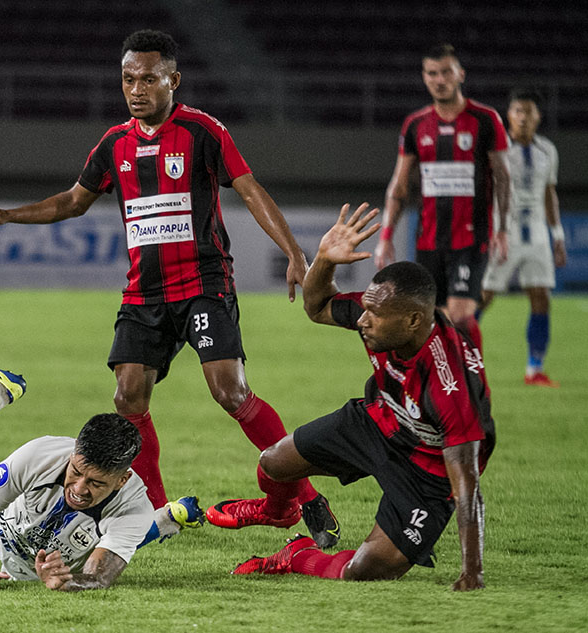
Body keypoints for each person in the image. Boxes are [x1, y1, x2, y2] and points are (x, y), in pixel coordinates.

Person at [0, 29, 340, 548]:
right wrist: (6, 216)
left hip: (203, 283)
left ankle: (307, 495)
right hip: (144, 294)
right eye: (128, 79)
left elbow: (250, 190)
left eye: (149, 79)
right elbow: (72, 201)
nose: (137, 89)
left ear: (173, 81)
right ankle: (154, 507)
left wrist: (295, 252)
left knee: (231, 391)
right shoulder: (115, 144)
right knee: (128, 395)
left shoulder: (202, 132)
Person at [232, 204, 495, 592]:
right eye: (365, 307)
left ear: (413, 321)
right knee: (272, 463)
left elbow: (468, 484)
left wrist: (472, 570)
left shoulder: (450, 385)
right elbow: (317, 307)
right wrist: (323, 260)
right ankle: (278, 511)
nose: (361, 319)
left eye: (374, 313)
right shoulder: (378, 317)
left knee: (366, 570)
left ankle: (298, 555)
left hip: (427, 473)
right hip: (376, 422)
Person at [0, 355, 203, 592]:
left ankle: (164, 520)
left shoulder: (133, 506)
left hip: (36, 559)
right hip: (2, 515)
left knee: (128, 531)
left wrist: (67, 582)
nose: (79, 488)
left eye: (95, 483)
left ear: (122, 480)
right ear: (73, 453)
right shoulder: (42, 454)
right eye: (76, 471)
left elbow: (99, 577)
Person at [375, 43, 511, 349]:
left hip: (472, 238)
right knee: (430, 319)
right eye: (432, 73)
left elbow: (503, 178)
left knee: (461, 316)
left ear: (460, 74)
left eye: (446, 72)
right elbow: (399, 186)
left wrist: (503, 228)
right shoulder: (415, 125)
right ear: (424, 78)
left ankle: (476, 388)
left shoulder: (485, 120)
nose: (439, 79)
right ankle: (442, 388)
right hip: (429, 239)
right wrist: (386, 236)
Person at [480, 88, 566, 388]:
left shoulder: (548, 150)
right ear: (509, 115)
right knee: (484, 296)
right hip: (504, 231)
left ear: (538, 117)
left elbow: (549, 193)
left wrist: (557, 235)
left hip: (538, 234)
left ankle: (535, 369)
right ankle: (457, 360)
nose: (523, 118)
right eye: (517, 111)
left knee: (541, 298)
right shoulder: (497, 148)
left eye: (528, 112)